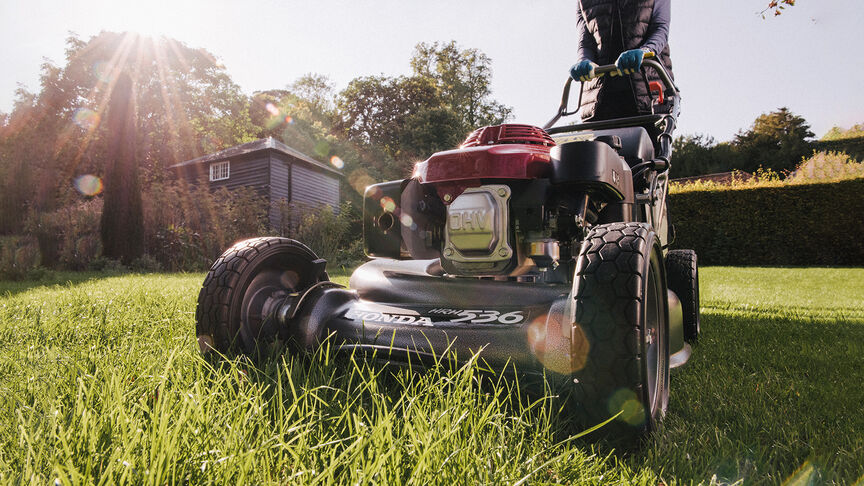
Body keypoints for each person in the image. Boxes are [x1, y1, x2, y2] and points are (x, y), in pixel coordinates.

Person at [569, 0, 674, 121]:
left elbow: (660, 29)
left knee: (647, 132)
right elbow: (586, 41)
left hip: (647, 91)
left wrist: (645, 51)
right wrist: (583, 59)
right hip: (600, 98)